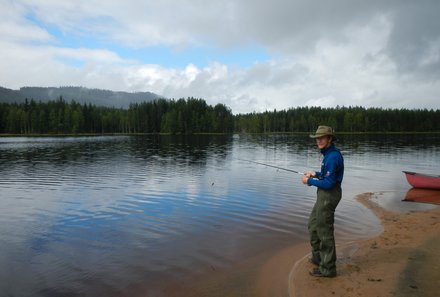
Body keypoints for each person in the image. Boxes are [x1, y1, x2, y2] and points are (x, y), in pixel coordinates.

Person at [301, 125, 344, 277]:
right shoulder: (328, 154)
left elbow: (330, 183)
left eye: (322, 137)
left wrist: (309, 181)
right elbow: (326, 176)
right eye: (317, 138)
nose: (318, 140)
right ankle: (318, 258)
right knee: (313, 225)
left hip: (329, 195)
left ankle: (328, 269)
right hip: (324, 194)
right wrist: (315, 174)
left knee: (324, 231)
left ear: (330, 138)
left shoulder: (333, 156)